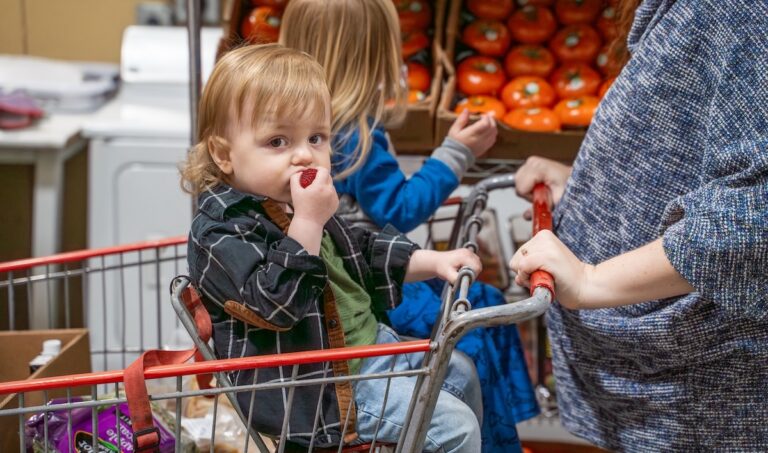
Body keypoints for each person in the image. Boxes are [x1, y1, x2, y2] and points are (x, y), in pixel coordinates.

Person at [181, 43, 486, 452]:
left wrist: (434, 260)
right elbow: (275, 304)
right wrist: (308, 220)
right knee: (455, 428)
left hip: (370, 350)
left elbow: (357, 248)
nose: (305, 154)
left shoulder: (291, 202)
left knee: (460, 371)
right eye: (277, 141)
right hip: (322, 392)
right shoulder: (220, 232)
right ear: (223, 154)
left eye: (316, 137)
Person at [508, 0, 768, 451]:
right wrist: (588, 185)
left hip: (697, 399)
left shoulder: (741, 10)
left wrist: (592, 281)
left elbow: (754, 218)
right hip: (662, 386)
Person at [279, 2, 538, 452]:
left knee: (479, 307)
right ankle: (499, 436)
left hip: (345, 285)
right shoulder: (353, 129)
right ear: (372, 56)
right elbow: (398, 210)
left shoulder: (297, 129)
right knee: (478, 311)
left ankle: (497, 432)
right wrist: (456, 153)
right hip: (371, 290)